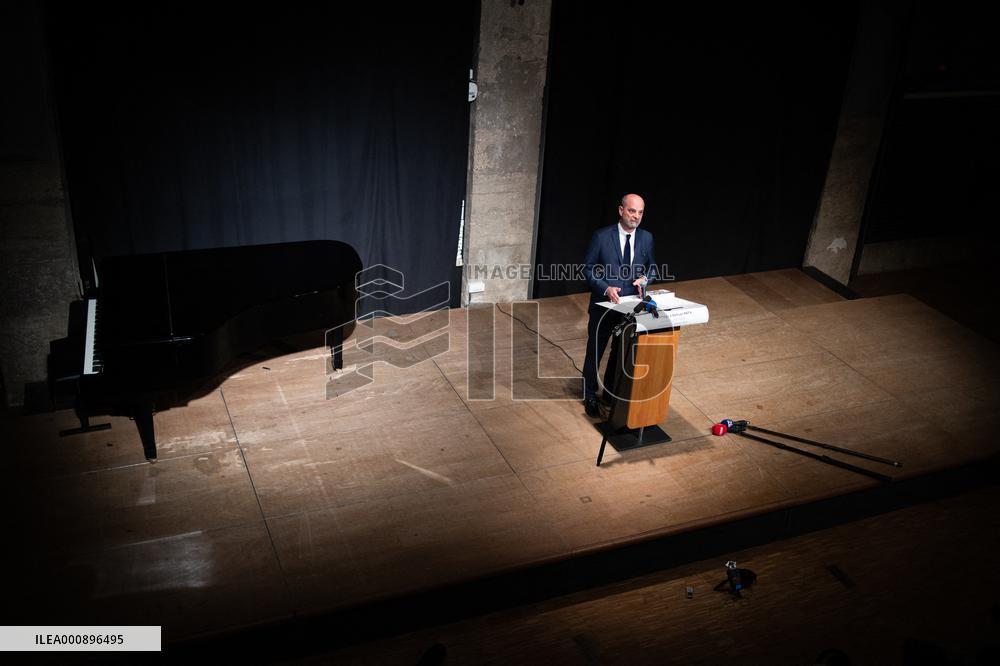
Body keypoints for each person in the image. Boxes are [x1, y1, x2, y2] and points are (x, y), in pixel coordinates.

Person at [582, 193, 657, 417]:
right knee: (595, 350)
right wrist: (605, 288)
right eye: (632, 211)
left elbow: (652, 267)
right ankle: (590, 395)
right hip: (603, 305)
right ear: (621, 210)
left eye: (640, 212)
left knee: (619, 350)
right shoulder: (602, 236)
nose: (636, 216)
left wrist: (646, 279)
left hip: (630, 306)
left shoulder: (646, 238)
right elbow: (587, 269)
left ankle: (610, 392)